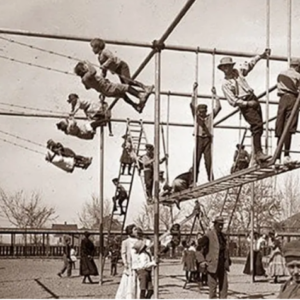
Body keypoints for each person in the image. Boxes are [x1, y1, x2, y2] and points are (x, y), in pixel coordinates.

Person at [218, 49, 272, 164]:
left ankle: (257, 154)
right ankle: (258, 153)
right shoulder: (225, 84)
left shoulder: (238, 72)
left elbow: (250, 64)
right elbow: (232, 101)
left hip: (253, 97)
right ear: (222, 69)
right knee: (256, 125)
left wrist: (261, 55)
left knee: (259, 126)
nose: (227, 68)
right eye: (225, 67)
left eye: (229, 66)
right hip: (245, 103)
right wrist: (247, 104)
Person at [74, 60, 153, 113]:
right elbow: (93, 71)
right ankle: (140, 96)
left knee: (122, 94)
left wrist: (97, 81)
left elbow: (87, 88)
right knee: (126, 87)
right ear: (83, 69)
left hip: (105, 92)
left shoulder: (83, 80)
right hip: (108, 87)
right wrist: (87, 63)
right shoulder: (87, 75)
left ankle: (135, 106)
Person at [190, 87, 221, 182]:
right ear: (198, 112)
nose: (202, 114)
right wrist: (194, 91)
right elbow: (191, 105)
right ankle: (193, 180)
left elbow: (218, 108)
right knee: (196, 159)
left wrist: (215, 95)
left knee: (208, 160)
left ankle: (210, 178)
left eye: (204, 112)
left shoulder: (210, 117)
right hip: (199, 138)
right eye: (201, 112)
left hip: (207, 139)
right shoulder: (196, 117)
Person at [197, 216, 231, 299]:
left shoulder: (223, 236)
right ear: (215, 224)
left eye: (222, 225)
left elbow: (225, 249)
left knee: (224, 287)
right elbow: (198, 249)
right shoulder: (208, 235)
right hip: (212, 265)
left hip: (222, 265)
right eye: (219, 225)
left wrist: (228, 260)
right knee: (212, 288)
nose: (220, 227)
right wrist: (201, 261)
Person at [275, 58, 300, 165]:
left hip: (282, 99)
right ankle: (286, 155)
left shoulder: (281, 74)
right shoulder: (298, 76)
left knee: (280, 126)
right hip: (293, 99)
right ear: (297, 66)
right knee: (289, 127)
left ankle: (277, 156)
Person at [116, 224, 140, 299]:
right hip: (130, 265)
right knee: (129, 282)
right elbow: (123, 253)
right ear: (130, 231)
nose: (137, 231)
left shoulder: (140, 241)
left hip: (139, 264)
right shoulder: (126, 242)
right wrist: (125, 263)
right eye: (135, 229)